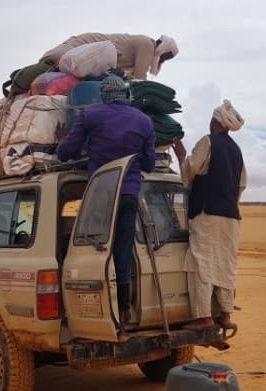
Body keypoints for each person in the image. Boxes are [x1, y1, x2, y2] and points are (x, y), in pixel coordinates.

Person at [56, 75, 155, 335]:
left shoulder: (91, 115)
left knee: (94, 253)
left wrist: (66, 151)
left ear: (103, 95)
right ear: (124, 94)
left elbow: (67, 149)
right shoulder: (144, 121)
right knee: (122, 254)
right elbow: (149, 165)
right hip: (130, 195)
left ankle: (98, 316)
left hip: (101, 195)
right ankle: (122, 315)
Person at [173, 100, 246, 333]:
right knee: (224, 264)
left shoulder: (208, 142)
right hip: (230, 217)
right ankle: (225, 314)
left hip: (207, 213)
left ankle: (203, 316)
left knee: (200, 262)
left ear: (215, 121)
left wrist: (182, 157)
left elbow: (190, 172)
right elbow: (241, 184)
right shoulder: (236, 150)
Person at [41, 33, 179, 80]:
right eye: (166, 56)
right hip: (81, 47)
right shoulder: (147, 45)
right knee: (56, 60)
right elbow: (139, 79)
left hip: (85, 56)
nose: (163, 60)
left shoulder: (145, 47)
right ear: (162, 48)